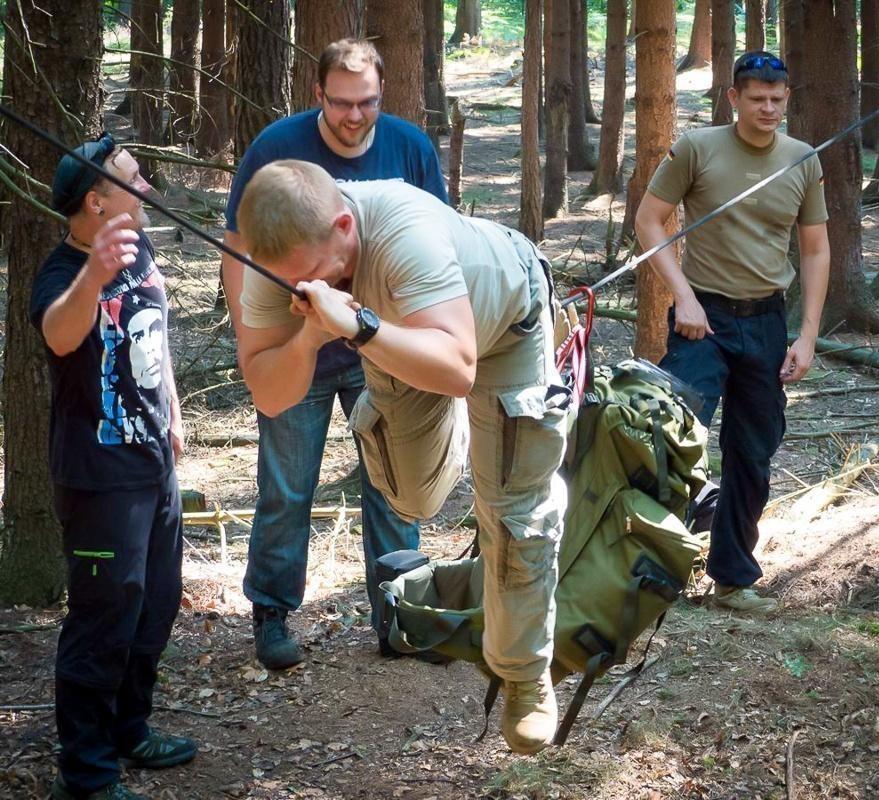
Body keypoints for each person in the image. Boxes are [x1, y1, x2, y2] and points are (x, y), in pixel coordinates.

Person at [235, 161, 568, 755]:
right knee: (412, 498)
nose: (300, 288)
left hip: (504, 329)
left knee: (512, 509)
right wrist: (311, 335)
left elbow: (459, 369)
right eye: (289, 281)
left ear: (343, 226)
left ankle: (524, 672)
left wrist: (360, 327)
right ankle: (462, 427)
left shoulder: (403, 229)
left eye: (312, 274)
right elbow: (269, 393)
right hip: (406, 336)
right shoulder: (277, 260)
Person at [221, 38, 449, 669]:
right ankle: (271, 611)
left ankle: (401, 615)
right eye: (342, 102)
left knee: (394, 483)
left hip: (384, 351)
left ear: (382, 94)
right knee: (287, 488)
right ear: (318, 93)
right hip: (299, 346)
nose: (355, 116)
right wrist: (252, 336)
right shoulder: (277, 147)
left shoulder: (410, 148)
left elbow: (438, 246)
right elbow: (238, 246)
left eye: (367, 102)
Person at [31, 133, 197, 800]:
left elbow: (154, 332)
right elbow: (58, 334)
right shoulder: (61, 273)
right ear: (97, 202)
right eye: (133, 178)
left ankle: (130, 730)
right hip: (99, 479)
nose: (147, 186)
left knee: (154, 607)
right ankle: (86, 773)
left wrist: (174, 410)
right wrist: (94, 275)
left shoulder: (138, 245)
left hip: (154, 464)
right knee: (102, 621)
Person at [635, 51, 830, 615]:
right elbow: (648, 219)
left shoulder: (802, 159)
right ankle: (647, 571)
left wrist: (807, 336)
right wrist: (683, 296)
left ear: (787, 98)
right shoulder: (697, 148)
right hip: (702, 321)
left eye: (777, 99)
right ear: (734, 98)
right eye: (757, 98)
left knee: (752, 452)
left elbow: (815, 249)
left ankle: (733, 578)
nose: (768, 108)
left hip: (767, 322)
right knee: (668, 440)